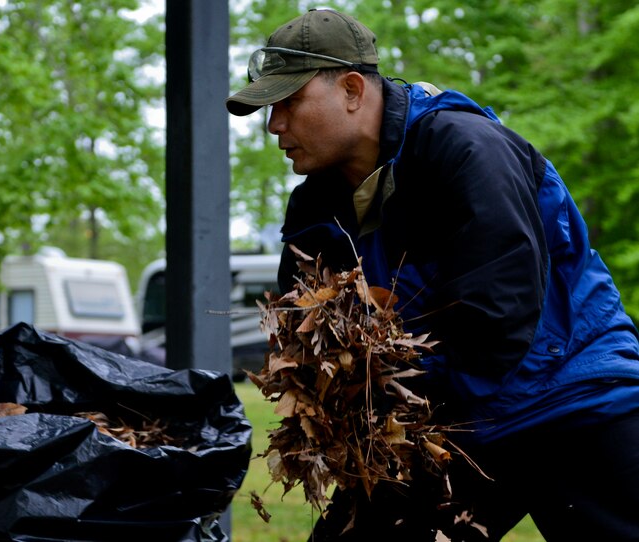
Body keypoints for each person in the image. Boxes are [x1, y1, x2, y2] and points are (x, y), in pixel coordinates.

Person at [226, 8, 639, 542]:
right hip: (455, 425)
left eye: (288, 103)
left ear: (352, 89)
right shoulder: (314, 209)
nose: (275, 125)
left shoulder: (466, 148)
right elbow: (307, 332)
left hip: (572, 401)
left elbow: (496, 312)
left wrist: (396, 396)